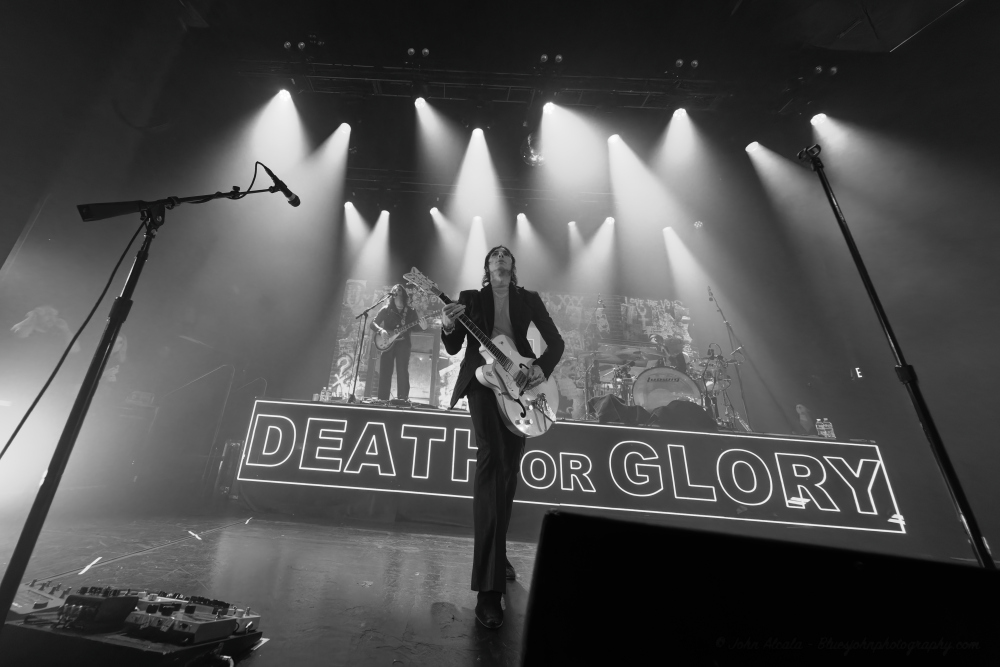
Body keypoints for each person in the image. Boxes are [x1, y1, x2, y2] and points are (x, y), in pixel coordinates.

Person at [439, 245, 564, 630]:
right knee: (492, 461)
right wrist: (447, 325)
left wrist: (538, 372)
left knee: (510, 473)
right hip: (482, 382)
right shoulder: (469, 300)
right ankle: (489, 591)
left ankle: (498, 553)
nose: (500, 259)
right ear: (486, 267)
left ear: (512, 266)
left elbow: (555, 343)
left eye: (506, 255)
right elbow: (454, 346)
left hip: (523, 386)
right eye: (494, 256)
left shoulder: (528, 299)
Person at [371, 284, 427, 401]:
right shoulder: (386, 309)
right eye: (394, 289)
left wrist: (423, 327)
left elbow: (415, 327)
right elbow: (373, 323)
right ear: (392, 294)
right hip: (387, 344)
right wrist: (381, 330)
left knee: (402, 371)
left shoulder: (410, 311)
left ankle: (403, 399)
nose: (397, 290)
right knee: (385, 371)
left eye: (399, 289)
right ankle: (382, 399)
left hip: (403, 344)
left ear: (403, 293)